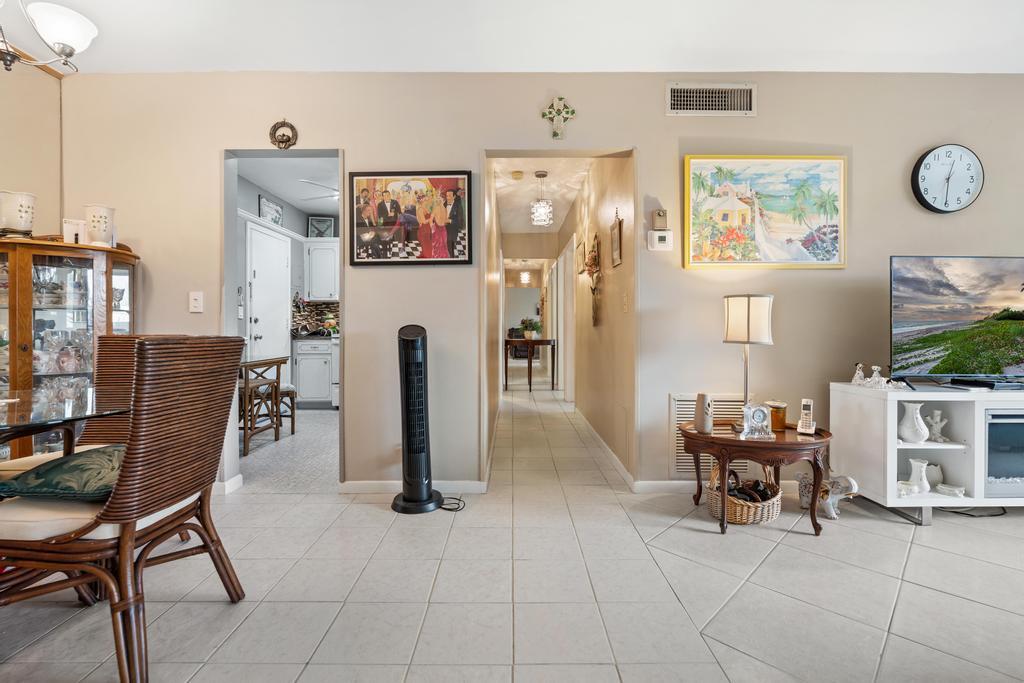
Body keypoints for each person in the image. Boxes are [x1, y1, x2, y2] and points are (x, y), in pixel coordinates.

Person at [443, 187, 465, 257]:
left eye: (449, 196)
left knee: (450, 247)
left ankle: (451, 261)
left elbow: (460, 221)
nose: (448, 198)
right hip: (442, 229)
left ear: (454, 196)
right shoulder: (444, 204)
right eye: (447, 196)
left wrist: (449, 221)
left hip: (452, 230)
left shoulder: (458, 206)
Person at [431, 191, 450, 259]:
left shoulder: (445, 209)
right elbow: (431, 219)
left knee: (444, 245)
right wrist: (432, 227)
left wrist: (448, 221)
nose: (438, 200)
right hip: (436, 229)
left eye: (440, 199)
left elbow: (445, 219)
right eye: (437, 199)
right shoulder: (435, 208)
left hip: (443, 229)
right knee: (437, 246)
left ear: (443, 200)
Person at [415, 192, 433, 259]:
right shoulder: (420, 209)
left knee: (428, 248)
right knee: (427, 249)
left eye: (427, 200)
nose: (427, 201)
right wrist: (432, 218)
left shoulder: (425, 208)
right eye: (425, 200)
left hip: (427, 230)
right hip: (423, 231)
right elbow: (424, 222)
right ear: (422, 201)